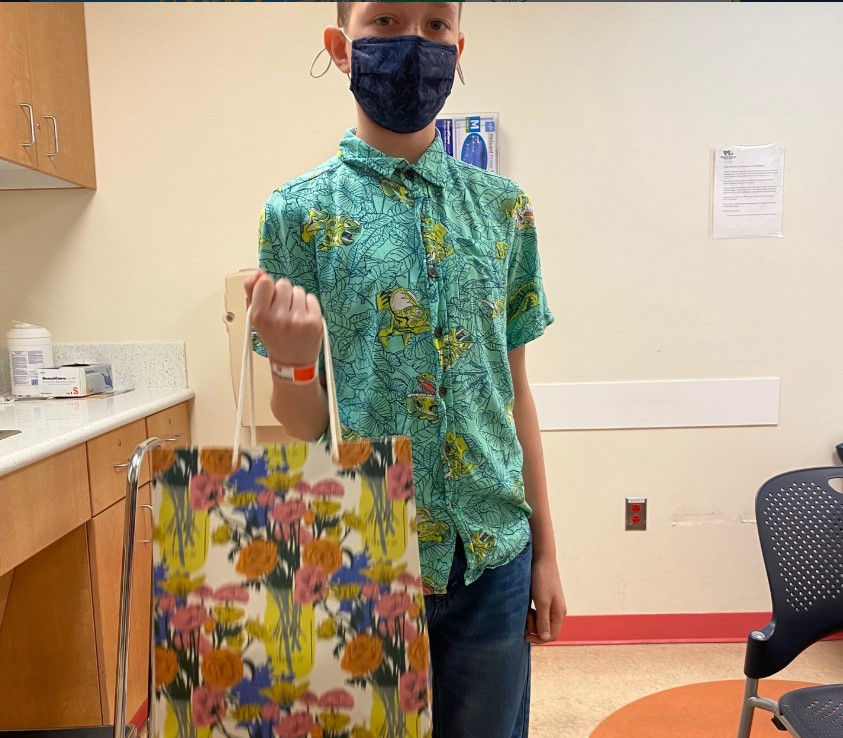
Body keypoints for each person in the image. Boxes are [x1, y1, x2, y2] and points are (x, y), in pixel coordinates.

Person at [245, 3, 566, 736]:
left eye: (433, 24)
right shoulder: (297, 215)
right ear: (340, 46)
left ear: (457, 46)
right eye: (384, 21)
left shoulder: (502, 211)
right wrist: (294, 366)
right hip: (366, 552)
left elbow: (513, 395)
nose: (411, 42)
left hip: (491, 553)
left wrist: (546, 555)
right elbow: (305, 422)